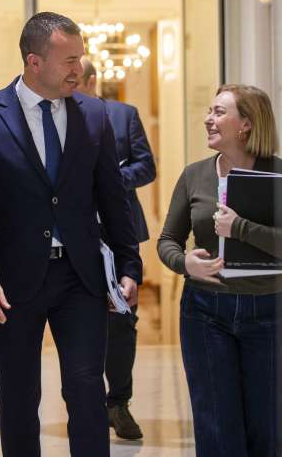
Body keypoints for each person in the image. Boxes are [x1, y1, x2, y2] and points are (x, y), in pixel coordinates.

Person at [0, 11, 143, 457]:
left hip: (81, 276)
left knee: (86, 388)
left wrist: (129, 265)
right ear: (34, 62)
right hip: (13, 281)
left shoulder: (94, 114)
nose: (80, 68)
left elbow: (113, 197)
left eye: (81, 58)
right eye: (69, 60)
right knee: (19, 395)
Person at [157, 85, 282, 457]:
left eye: (219, 112)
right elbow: (167, 241)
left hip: (266, 312)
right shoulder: (194, 176)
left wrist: (240, 228)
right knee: (216, 425)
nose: (208, 119)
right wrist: (185, 263)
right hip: (204, 312)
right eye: (209, 111)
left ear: (246, 124)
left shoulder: (279, 173)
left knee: (267, 428)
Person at [73, 57, 155, 440]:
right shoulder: (56, 117)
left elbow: (146, 167)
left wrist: (109, 177)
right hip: (76, 234)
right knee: (80, 321)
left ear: (92, 81)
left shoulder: (124, 115)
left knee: (122, 321)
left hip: (119, 232)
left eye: (76, 80)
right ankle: (86, 404)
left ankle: (119, 403)